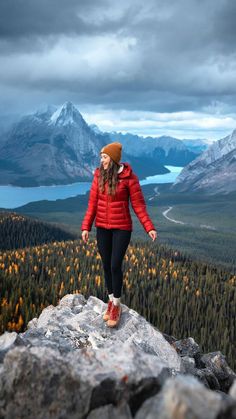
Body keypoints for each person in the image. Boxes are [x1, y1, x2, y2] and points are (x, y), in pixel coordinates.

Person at [81, 141, 157, 328]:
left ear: (113, 159)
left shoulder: (130, 178)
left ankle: (116, 305)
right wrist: (86, 227)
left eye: (105, 157)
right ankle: (110, 301)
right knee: (106, 264)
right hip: (102, 228)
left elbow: (139, 206)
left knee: (115, 264)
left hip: (122, 228)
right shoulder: (98, 176)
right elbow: (92, 204)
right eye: (101, 157)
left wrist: (149, 227)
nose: (102, 160)